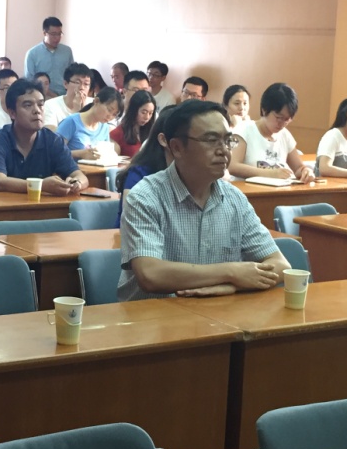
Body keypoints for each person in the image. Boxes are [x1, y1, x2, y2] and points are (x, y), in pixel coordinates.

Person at [118, 100, 291, 302]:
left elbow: (281, 265)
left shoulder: (235, 200)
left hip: (217, 313)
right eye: (211, 140)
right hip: (152, 315)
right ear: (177, 147)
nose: (224, 151)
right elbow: (150, 274)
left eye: (227, 141)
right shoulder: (145, 197)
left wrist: (231, 286)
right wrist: (231, 272)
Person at [0, 78, 89, 195]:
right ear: (12, 113)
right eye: (28, 105)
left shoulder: (53, 140)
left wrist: (76, 183)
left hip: (37, 205)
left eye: (40, 104)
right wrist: (41, 185)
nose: (37, 111)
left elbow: (80, 176)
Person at [228, 83, 315, 182]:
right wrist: (270, 173)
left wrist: (305, 171)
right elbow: (232, 166)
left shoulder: (284, 135)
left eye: (287, 119)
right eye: (278, 117)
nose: (282, 123)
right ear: (264, 110)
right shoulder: (243, 130)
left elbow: (298, 168)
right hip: (247, 190)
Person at [57, 87, 121, 160]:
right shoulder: (71, 122)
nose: (110, 116)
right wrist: (80, 154)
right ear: (96, 101)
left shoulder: (104, 127)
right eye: (109, 110)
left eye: (114, 114)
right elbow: (55, 152)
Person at [24, 16, 74, 94]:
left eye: (59, 34)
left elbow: (72, 75)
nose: (57, 38)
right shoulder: (32, 54)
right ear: (44, 33)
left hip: (64, 95)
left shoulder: (67, 51)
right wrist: (50, 94)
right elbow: (30, 81)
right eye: (53, 34)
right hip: (42, 96)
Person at [43, 62, 92, 129]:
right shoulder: (50, 105)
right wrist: (76, 111)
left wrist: (85, 111)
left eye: (86, 84)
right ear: (65, 84)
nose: (82, 87)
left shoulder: (94, 104)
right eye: (77, 82)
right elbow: (51, 132)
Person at [110, 90, 156, 160]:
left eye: (150, 113)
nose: (147, 117)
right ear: (134, 110)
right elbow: (112, 162)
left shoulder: (151, 133)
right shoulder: (117, 134)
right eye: (143, 112)